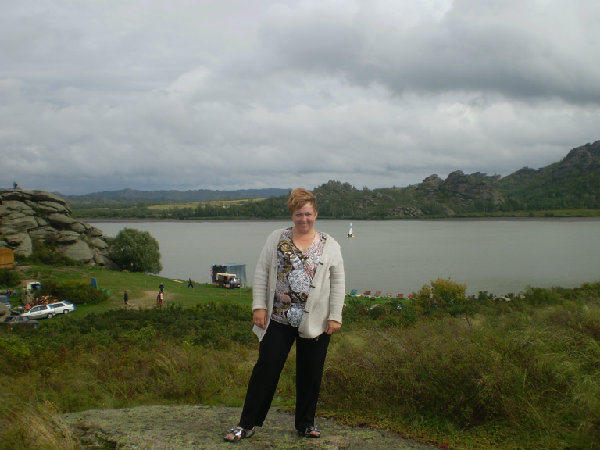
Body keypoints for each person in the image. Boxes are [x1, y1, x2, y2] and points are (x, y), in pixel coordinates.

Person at [223, 188, 345, 442]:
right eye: (299, 214)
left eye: (308, 214)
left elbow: (338, 282)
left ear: (316, 214)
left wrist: (335, 315)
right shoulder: (276, 238)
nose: (304, 219)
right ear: (292, 215)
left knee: (311, 373)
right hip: (278, 318)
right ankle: (247, 424)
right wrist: (259, 306)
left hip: (316, 321)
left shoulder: (330, 244)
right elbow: (261, 272)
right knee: (266, 367)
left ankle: (306, 424)